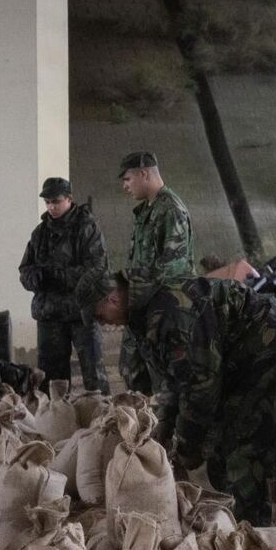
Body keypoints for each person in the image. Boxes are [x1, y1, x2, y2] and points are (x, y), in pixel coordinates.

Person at [76, 268, 276, 526]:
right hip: (234, 357)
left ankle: (253, 528)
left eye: (99, 317)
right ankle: (238, 511)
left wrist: (185, 446)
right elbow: (175, 380)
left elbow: (200, 386)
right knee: (216, 442)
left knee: (243, 440)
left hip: (269, 344)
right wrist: (163, 430)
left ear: (112, 300)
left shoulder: (169, 313)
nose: (104, 324)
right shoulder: (144, 314)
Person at [17, 177, 110, 393]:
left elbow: (98, 269)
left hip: (82, 313)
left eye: (56, 201)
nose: (51, 207)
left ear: (69, 199)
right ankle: (56, 421)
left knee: (94, 374)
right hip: (49, 315)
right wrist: (36, 278)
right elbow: (25, 269)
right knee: (51, 381)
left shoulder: (87, 228)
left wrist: (58, 276)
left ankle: (106, 420)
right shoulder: (40, 233)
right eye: (48, 202)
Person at [117, 151, 195, 394]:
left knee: (165, 383)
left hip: (166, 311)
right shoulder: (148, 211)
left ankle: (163, 430)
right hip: (144, 308)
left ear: (144, 174)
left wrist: (131, 289)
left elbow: (172, 267)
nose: (125, 186)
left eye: (128, 179)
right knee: (133, 373)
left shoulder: (170, 209)